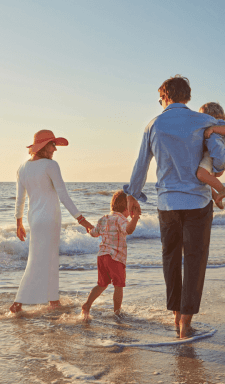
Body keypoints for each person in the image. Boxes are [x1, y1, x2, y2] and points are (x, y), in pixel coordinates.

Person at [124, 75, 225, 338]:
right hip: (198, 202)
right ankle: (185, 324)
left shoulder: (153, 124)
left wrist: (132, 195)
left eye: (160, 98)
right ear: (187, 96)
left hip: (167, 203)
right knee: (195, 260)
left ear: (166, 96)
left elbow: (141, 165)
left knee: (170, 258)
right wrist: (214, 130)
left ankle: (176, 315)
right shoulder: (202, 120)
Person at [10, 130, 93, 313]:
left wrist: (19, 223)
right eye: (52, 144)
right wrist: (82, 220)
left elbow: (20, 199)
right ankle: (18, 302)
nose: (55, 149)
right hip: (50, 219)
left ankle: (53, 300)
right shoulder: (51, 165)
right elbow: (63, 194)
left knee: (44, 258)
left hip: (34, 220)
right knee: (42, 260)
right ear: (42, 146)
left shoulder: (22, 168)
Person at [81, 191, 140, 319]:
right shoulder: (121, 219)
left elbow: (94, 233)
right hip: (115, 258)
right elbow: (128, 230)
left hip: (102, 256)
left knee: (102, 284)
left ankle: (87, 304)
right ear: (126, 209)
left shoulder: (104, 218)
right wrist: (135, 218)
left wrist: (88, 227)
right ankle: (117, 312)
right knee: (118, 285)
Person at [196, 102, 225, 209]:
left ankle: (222, 190)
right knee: (204, 177)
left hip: (218, 154)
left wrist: (213, 129)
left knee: (201, 174)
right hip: (213, 155)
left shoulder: (219, 123)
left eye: (202, 116)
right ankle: (216, 195)